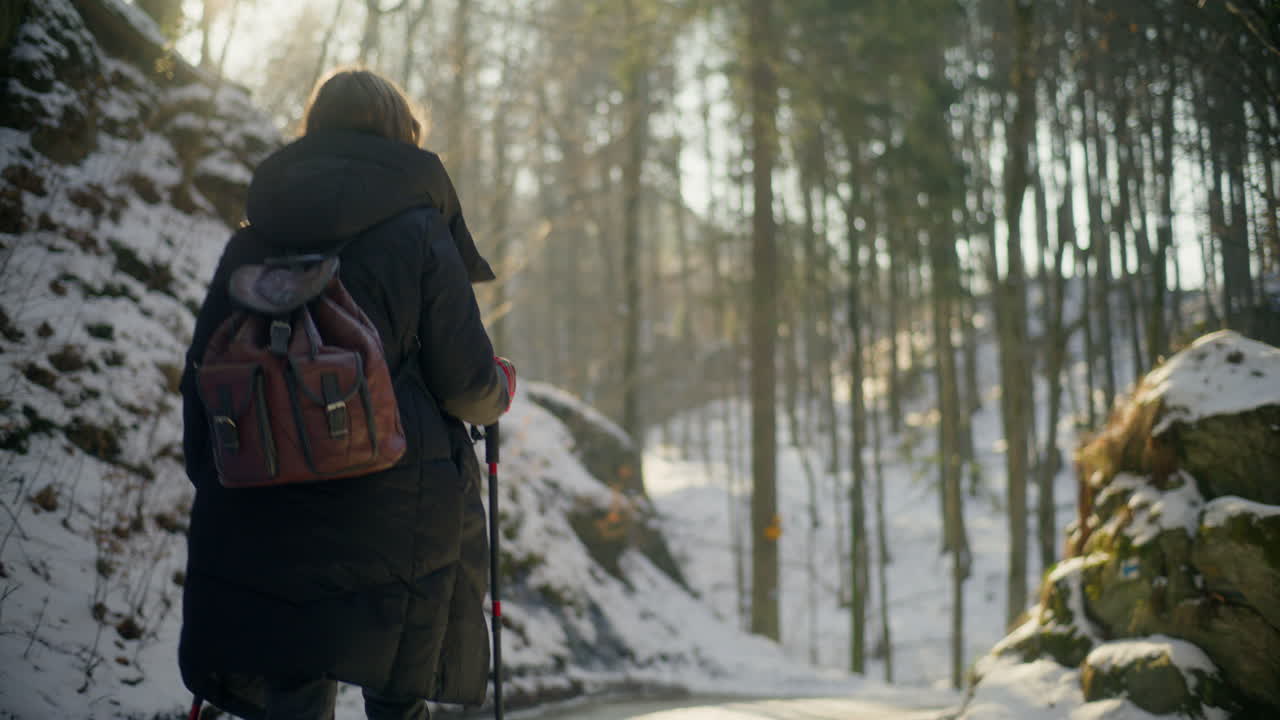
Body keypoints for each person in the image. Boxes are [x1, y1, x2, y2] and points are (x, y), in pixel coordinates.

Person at [178, 68, 515, 720]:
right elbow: (469, 385)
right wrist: (500, 389)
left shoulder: (253, 238)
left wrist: (221, 486)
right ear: (402, 135)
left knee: (291, 690)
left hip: (263, 509)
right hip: (399, 509)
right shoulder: (420, 230)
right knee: (397, 694)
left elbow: (203, 382)